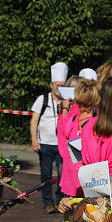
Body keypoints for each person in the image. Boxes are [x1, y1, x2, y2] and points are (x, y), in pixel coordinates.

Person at [30, 62, 68, 213]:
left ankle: (59, 201)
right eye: (57, 85)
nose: (59, 89)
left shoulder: (67, 100)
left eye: (62, 85)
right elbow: (34, 121)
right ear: (51, 84)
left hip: (61, 144)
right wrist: (34, 139)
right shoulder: (42, 99)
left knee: (62, 174)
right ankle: (47, 202)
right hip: (45, 143)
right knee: (46, 175)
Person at [57, 78, 101, 199]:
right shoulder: (97, 122)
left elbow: (62, 138)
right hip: (89, 177)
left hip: (70, 176)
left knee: (70, 214)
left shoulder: (72, 117)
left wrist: (64, 109)